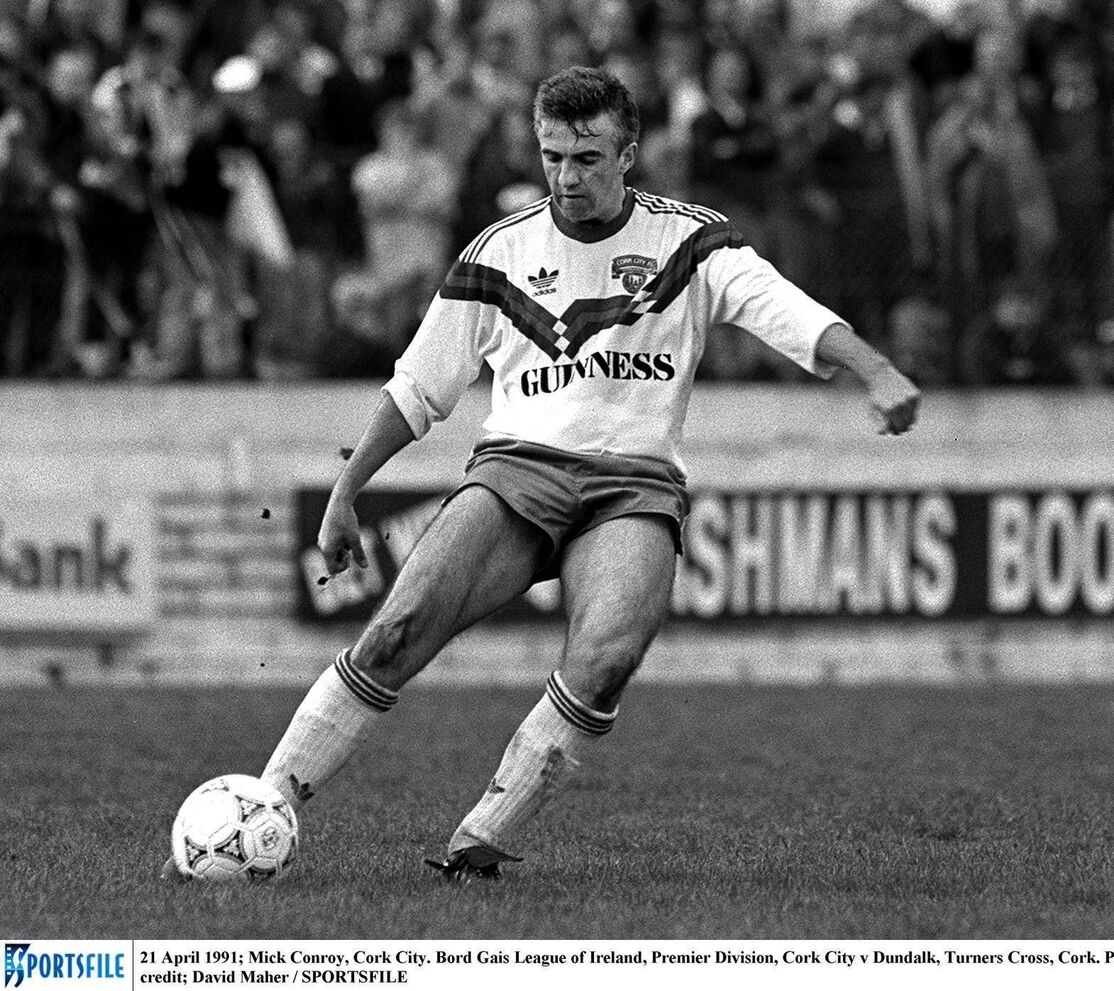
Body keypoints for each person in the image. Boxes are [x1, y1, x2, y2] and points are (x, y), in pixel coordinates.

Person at [162, 66, 920, 882]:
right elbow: (420, 387)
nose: (567, 177)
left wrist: (874, 372)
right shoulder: (499, 252)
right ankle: (255, 815)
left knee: (606, 657)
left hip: (634, 485)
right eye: (553, 155)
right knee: (394, 630)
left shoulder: (693, 242)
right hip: (519, 471)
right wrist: (347, 491)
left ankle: (478, 840)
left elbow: (789, 311)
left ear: (628, 155)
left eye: (589, 158)